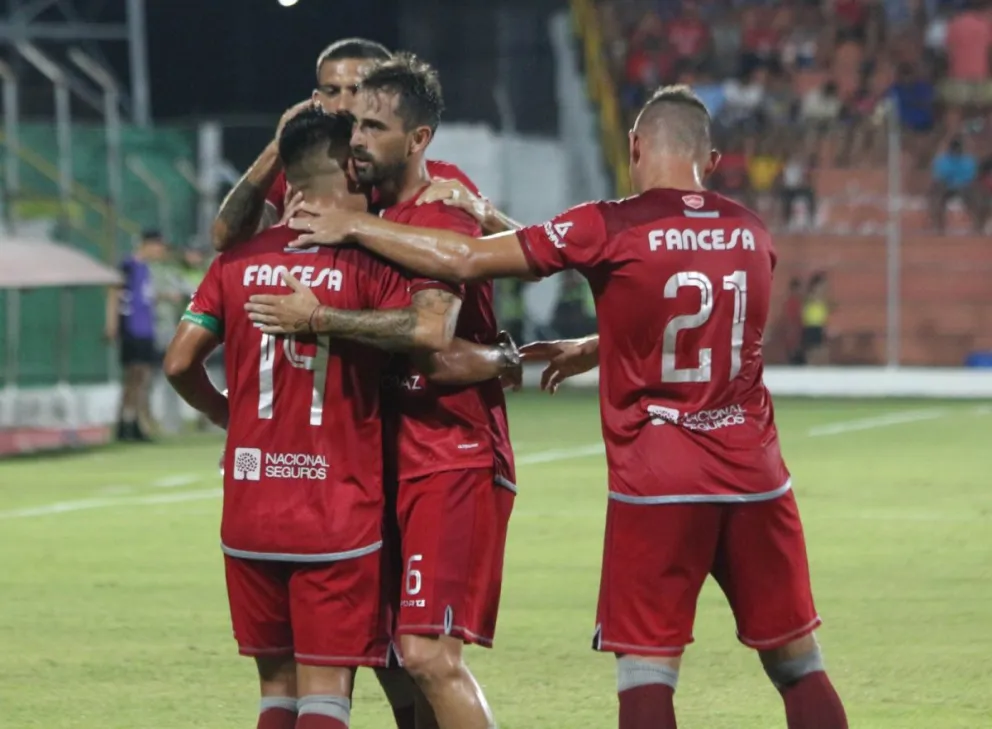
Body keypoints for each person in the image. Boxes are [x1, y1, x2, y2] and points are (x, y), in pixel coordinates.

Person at [284, 84, 848, 729]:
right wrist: (602, 344)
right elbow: (711, 330)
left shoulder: (608, 224)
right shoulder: (752, 233)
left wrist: (356, 223)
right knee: (798, 662)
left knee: (647, 671)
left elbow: (466, 259)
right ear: (712, 161)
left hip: (659, 481)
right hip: (757, 476)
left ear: (634, 147)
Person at [164, 109, 515, 729]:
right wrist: (504, 359)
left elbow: (178, 363)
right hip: (335, 509)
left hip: (250, 503)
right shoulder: (366, 264)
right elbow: (428, 336)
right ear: (350, 174)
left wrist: (229, 416)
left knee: (277, 688)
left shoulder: (234, 262)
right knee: (327, 689)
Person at [212, 38, 477, 253]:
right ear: (316, 100)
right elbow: (224, 238)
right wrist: (277, 147)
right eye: (332, 91)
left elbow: (467, 257)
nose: (342, 105)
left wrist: (356, 226)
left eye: (357, 90)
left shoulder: (438, 181)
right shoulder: (305, 174)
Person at [105, 229, 170, 442]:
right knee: (132, 376)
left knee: (143, 376)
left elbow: (144, 295)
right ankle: (125, 421)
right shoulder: (128, 265)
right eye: (158, 246)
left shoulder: (147, 269)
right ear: (147, 244)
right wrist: (112, 323)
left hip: (146, 328)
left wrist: (164, 297)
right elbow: (114, 292)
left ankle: (136, 421)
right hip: (131, 327)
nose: (160, 252)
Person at [801, 272, 830, 366]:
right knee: (812, 351)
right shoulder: (810, 297)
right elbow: (805, 311)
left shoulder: (823, 300)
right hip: (811, 327)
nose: (824, 288)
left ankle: (819, 368)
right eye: (822, 285)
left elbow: (824, 313)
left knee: (822, 351)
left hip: (820, 326)